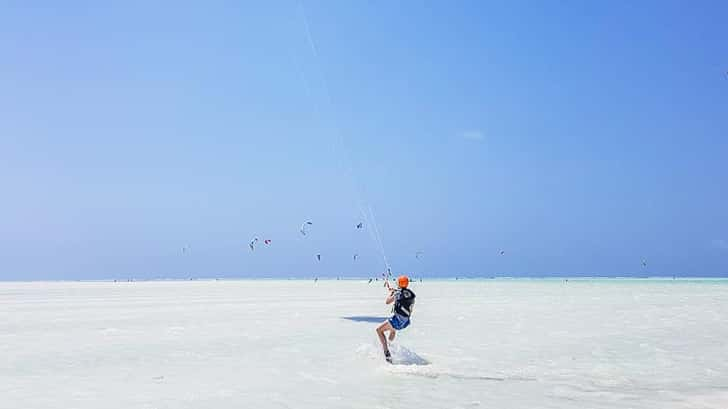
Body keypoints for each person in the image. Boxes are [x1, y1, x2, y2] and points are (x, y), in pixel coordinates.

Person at [375, 275, 416, 363]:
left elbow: (387, 302)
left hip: (398, 321)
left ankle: (386, 353)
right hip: (405, 322)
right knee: (392, 330)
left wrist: (392, 293)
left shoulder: (398, 293)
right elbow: (402, 296)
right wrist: (395, 291)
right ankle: (389, 345)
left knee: (379, 330)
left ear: (400, 283)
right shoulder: (410, 293)